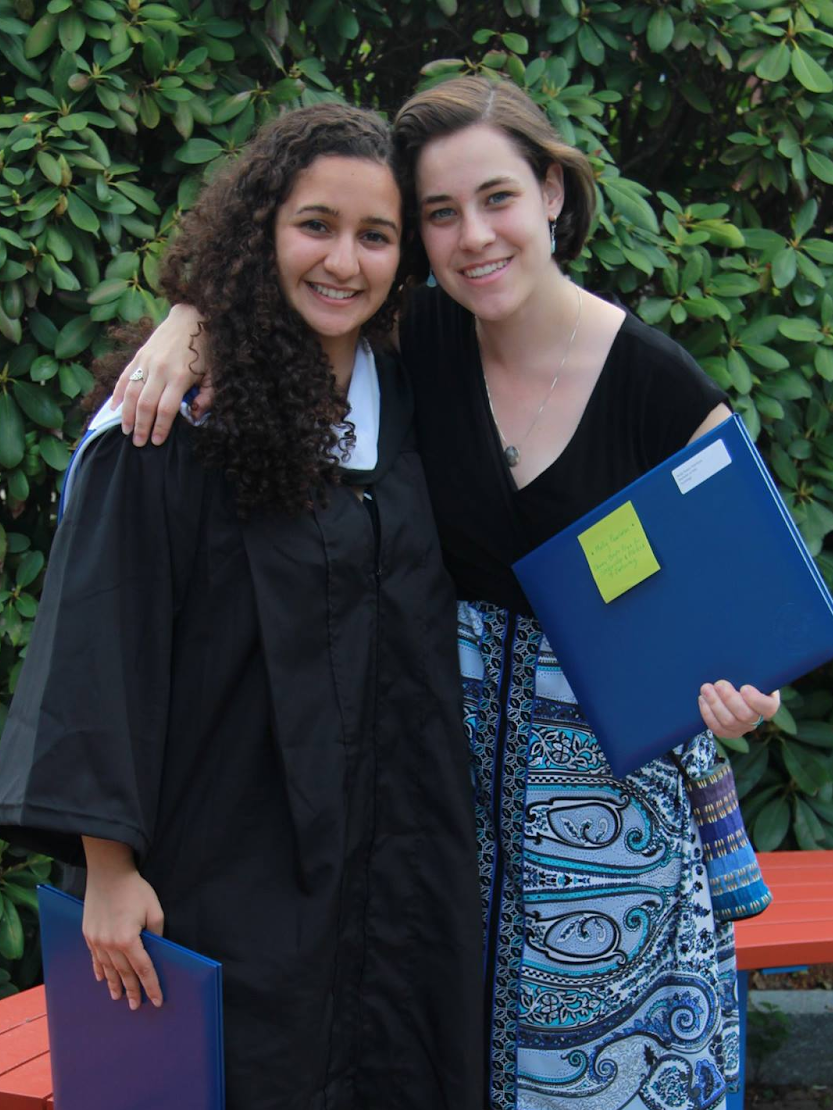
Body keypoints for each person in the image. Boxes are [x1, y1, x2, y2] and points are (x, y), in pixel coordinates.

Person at [106, 78, 779, 1110]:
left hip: (607, 835)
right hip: (433, 819)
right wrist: (187, 317)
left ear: (550, 191)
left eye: (498, 197)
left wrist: (743, 692)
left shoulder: (654, 382)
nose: (473, 236)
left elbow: (754, 609)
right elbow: (290, 287)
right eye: (438, 214)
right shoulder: (412, 345)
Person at [0, 103, 484, 1110]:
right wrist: (107, 867)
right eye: (315, 224)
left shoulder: (411, 394)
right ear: (260, 227)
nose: (342, 261)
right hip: (228, 864)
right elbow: (104, 637)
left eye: (375, 235)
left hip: (394, 863)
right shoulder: (172, 421)